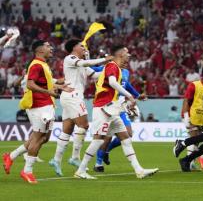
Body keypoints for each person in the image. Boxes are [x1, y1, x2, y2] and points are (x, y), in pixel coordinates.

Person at [74, 45, 157, 179]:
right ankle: (81, 170)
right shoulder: (111, 66)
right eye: (127, 52)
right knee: (98, 140)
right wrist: (129, 96)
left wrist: (133, 96)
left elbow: (121, 84)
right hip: (103, 109)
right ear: (120, 55)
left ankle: (139, 170)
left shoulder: (119, 69)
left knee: (125, 138)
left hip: (112, 109)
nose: (129, 55)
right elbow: (112, 82)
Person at [2, 40, 73, 183]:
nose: (51, 48)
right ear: (40, 50)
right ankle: (27, 171)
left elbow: (46, 81)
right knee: (38, 138)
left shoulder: (43, 65)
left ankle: (11, 156)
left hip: (46, 104)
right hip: (39, 106)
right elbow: (30, 84)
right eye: (48, 46)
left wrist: (59, 85)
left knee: (44, 138)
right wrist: (49, 91)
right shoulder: (35, 64)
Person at [48, 39, 113, 176]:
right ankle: (75, 157)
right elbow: (85, 63)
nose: (84, 47)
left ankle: (56, 159)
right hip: (73, 96)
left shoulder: (82, 64)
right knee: (84, 125)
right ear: (74, 48)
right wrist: (104, 59)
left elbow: (95, 75)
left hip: (70, 97)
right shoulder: (70, 58)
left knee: (67, 130)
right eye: (81, 46)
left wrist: (112, 70)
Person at [94, 66, 146, 172]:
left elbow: (127, 85)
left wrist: (137, 95)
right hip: (109, 105)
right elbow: (91, 69)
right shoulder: (106, 67)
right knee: (106, 137)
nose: (127, 59)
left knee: (129, 133)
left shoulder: (126, 71)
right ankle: (98, 163)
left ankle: (107, 150)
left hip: (121, 107)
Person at [181, 66, 203, 171]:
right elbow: (186, 100)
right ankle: (188, 163)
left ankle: (191, 162)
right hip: (191, 115)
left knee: (199, 140)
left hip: (202, 118)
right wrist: (186, 116)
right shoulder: (194, 85)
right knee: (194, 138)